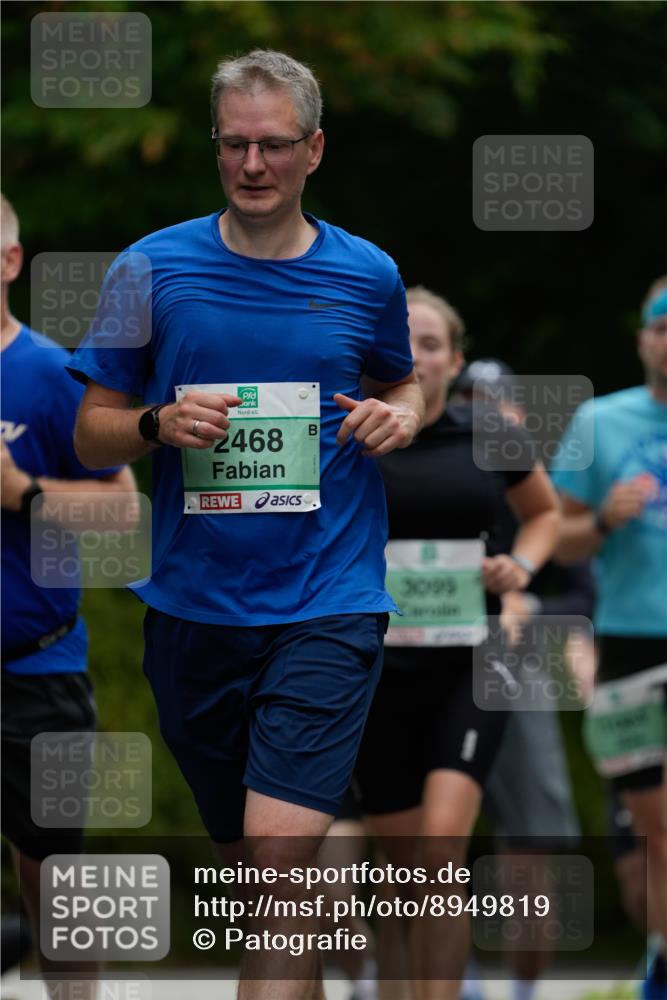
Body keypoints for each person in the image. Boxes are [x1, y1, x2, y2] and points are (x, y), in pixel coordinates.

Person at [65, 50, 424, 1000]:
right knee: (258, 878)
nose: (252, 164)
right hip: (195, 612)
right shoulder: (152, 266)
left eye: (272, 145)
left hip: (326, 601)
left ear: (314, 150)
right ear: (216, 147)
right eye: (234, 144)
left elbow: (400, 380)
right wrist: (153, 423)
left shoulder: (367, 272)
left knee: (278, 861)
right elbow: (93, 423)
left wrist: (404, 414)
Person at [353, 286, 561, 1000]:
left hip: (475, 662)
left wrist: (520, 567)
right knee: (404, 864)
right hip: (375, 666)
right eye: (402, 340)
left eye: (431, 343)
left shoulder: (490, 433)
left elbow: (542, 515)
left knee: (442, 851)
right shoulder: (347, 432)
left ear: (454, 360)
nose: (415, 354)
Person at [1, 193, 137, 999]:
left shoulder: (50, 372)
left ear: (11, 262)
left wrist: (23, 493)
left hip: (36, 669)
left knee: (52, 886)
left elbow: (123, 508)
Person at [451, 359, 588, 1000]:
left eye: (492, 406)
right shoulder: (417, 467)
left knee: (534, 838)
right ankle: (442, 975)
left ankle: (524, 988)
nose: (479, 418)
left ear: (518, 419)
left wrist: (529, 606)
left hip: (515, 661)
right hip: (424, 657)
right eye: (466, 404)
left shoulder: (539, 493)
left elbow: (585, 597)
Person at [552, 276, 667, 1000]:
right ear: (642, 340)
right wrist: (599, 523)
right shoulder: (599, 423)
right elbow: (555, 540)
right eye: (661, 326)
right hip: (631, 644)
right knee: (657, 836)